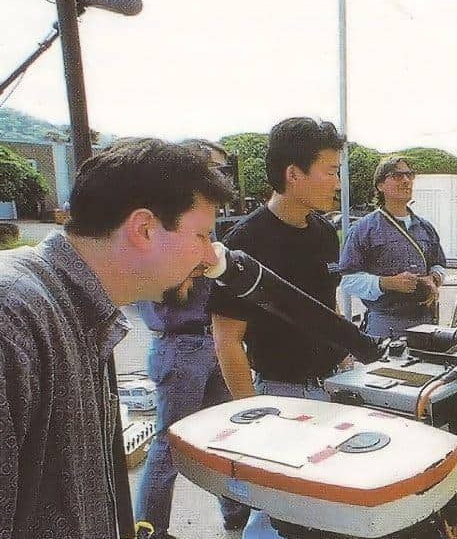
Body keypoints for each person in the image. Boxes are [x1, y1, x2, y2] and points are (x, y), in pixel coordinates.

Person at [0, 138, 234, 538]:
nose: (210, 258)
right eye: (200, 235)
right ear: (144, 229)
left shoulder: (73, 311)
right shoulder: (13, 318)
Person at [208, 117, 381, 539]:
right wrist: (253, 416)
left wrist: (346, 362)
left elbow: (326, 308)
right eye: (330, 171)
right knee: (274, 512)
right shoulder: (246, 241)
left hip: (334, 387)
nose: (337, 183)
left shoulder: (324, 233)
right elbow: (227, 341)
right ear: (293, 174)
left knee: (324, 507)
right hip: (281, 394)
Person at [133, 140, 250, 538]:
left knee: (226, 436)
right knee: (170, 446)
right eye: (214, 169)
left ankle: (236, 515)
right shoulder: (166, 225)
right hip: (181, 344)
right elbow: (159, 293)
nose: (221, 178)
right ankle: (150, 531)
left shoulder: (200, 223)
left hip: (211, 342)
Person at [339, 156, 447, 337]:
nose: (406, 180)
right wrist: (386, 283)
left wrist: (433, 278)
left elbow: (439, 264)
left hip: (426, 322)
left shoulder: (425, 227)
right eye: (397, 176)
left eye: (409, 175)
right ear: (380, 185)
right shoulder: (363, 229)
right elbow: (347, 280)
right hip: (385, 323)